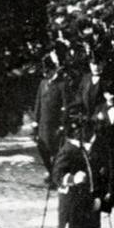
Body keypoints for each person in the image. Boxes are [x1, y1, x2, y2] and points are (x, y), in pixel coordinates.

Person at [33, 54, 71, 183]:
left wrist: (62, 124)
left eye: (47, 71)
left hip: (55, 124)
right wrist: (35, 121)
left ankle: (55, 176)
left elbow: (66, 105)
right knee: (42, 149)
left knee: (55, 151)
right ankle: (51, 171)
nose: (45, 74)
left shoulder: (62, 84)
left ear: (54, 69)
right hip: (43, 123)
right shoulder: (43, 83)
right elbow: (38, 103)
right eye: (44, 72)